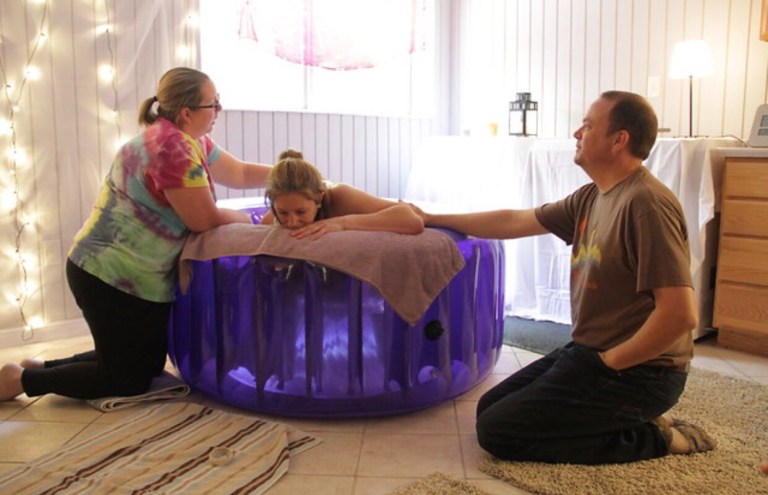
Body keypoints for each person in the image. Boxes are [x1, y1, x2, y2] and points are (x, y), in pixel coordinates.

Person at [409, 91, 715, 464]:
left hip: (642, 373)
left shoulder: (647, 205)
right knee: (490, 407)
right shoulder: (591, 197)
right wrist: (431, 217)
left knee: (499, 432)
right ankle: (620, 418)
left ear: (619, 140)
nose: (577, 133)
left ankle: (658, 438)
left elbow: (680, 314)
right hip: (590, 352)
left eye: (588, 125)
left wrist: (611, 362)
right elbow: (515, 220)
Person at [0, 67, 272, 401]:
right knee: (126, 379)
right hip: (110, 274)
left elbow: (240, 173)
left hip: (132, 276)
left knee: (146, 363)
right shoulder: (171, 147)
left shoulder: (192, 140)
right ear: (187, 112)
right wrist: (253, 220)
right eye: (212, 103)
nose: (219, 109)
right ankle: (21, 381)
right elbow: (204, 219)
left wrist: (291, 175)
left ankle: (41, 367)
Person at [259, 148, 424, 239]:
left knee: (426, 217)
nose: (292, 222)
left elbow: (411, 219)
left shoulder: (340, 196)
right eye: (283, 213)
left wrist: (342, 223)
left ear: (319, 198)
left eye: (301, 212)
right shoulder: (271, 220)